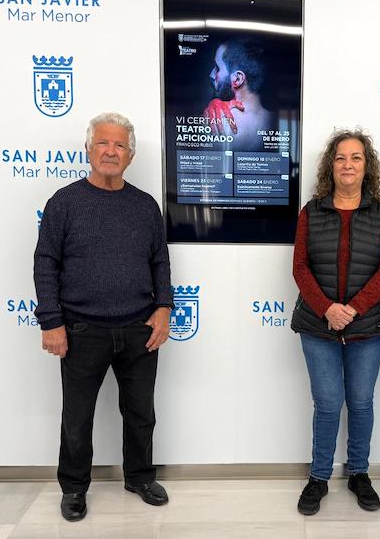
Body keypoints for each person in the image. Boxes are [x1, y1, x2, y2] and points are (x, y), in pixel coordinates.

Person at [34, 112, 173, 522]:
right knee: (77, 418)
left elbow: (160, 261)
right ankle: (74, 488)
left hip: (138, 327)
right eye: (103, 144)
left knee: (141, 413)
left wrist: (164, 308)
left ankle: (140, 477)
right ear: (89, 150)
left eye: (120, 146)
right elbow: (46, 263)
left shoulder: (145, 205)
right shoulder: (64, 202)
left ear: (130, 156)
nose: (111, 151)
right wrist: (51, 322)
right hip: (81, 330)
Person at [290, 129, 380, 516]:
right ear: (330, 165)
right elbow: (300, 267)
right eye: (340, 158)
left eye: (355, 158)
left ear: (366, 166)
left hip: (367, 327)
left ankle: (359, 473)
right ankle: (319, 477)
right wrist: (327, 309)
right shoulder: (311, 211)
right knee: (329, 403)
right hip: (318, 327)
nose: (347, 164)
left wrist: (352, 308)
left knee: (362, 403)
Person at [203, 38, 276, 149]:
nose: (211, 75)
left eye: (217, 68)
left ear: (237, 79)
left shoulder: (215, 124)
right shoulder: (276, 122)